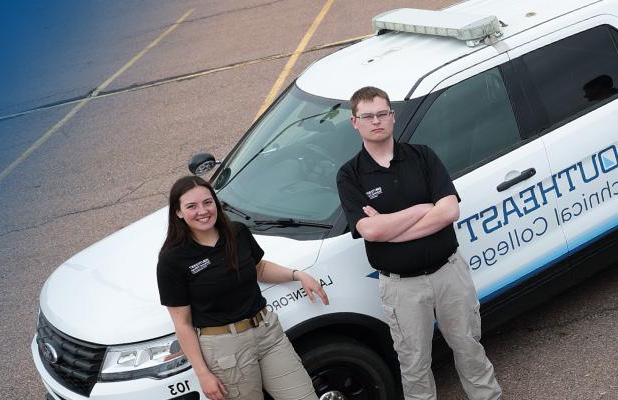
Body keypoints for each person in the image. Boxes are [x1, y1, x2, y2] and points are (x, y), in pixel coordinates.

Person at [335, 86, 503, 400]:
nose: (376, 121)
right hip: (402, 289)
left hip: (449, 273)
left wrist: (390, 227)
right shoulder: (350, 175)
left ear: (393, 117)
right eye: (367, 116)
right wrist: (421, 209)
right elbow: (370, 232)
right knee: (414, 364)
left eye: (382, 114)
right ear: (354, 122)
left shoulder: (422, 155)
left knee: (469, 347)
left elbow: (449, 210)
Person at [156, 175, 329, 400]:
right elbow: (182, 323)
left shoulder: (236, 232)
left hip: (268, 334)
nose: (203, 211)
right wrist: (202, 373)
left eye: (208, 202)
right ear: (178, 212)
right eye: (192, 206)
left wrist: (297, 275)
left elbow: (259, 269)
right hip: (226, 350)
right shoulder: (172, 259)